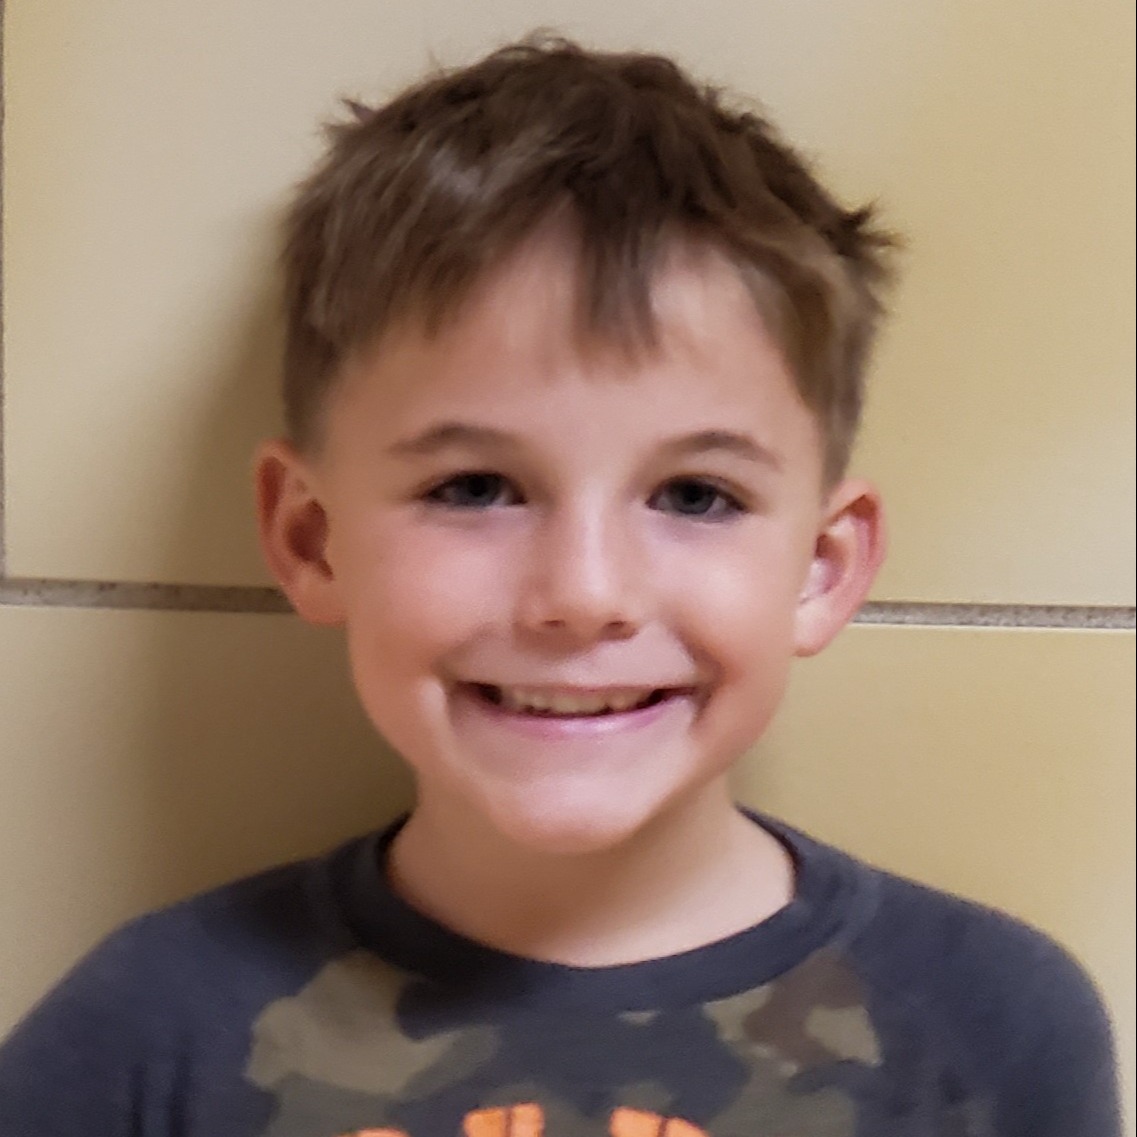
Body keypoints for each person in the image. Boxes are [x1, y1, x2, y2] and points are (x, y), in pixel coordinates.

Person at [0, 36, 1120, 1137]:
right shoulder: (146, 1035)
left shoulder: (990, 1027)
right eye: (477, 486)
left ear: (821, 570)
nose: (583, 596)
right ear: (312, 537)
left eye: (693, 497)